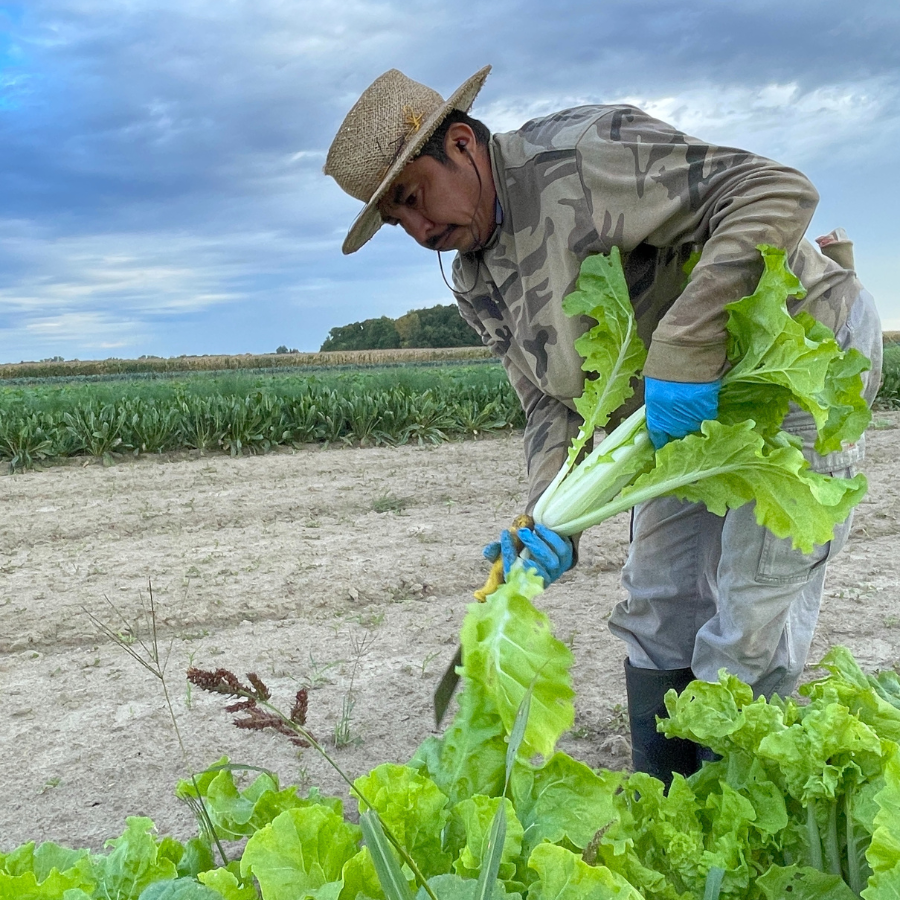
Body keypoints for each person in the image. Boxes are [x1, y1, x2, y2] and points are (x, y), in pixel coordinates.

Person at [323, 65, 883, 785]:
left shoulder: (582, 156)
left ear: (460, 144)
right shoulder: (472, 275)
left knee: (745, 626)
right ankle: (670, 806)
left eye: (411, 197)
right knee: (658, 607)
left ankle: (737, 834)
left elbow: (776, 190)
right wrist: (545, 515)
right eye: (395, 218)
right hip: (675, 409)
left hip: (799, 358)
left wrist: (687, 339)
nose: (418, 228)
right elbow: (550, 400)